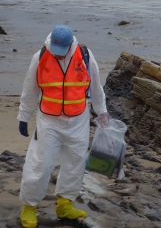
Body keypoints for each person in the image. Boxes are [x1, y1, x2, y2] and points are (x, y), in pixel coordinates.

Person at [17, 25, 109, 228]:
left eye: (62, 52)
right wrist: (23, 116)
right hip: (49, 121)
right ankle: (29, 207)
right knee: (40, 165)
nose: (58, 56)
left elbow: (96, 86)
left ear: (70, 44)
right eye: (55, 51)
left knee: (75, 163)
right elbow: (29, 89)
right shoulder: (40, 56)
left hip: (78, 120)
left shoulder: (85, 55)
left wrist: (101, 112)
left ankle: (65, 204)